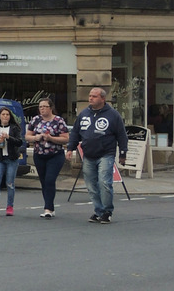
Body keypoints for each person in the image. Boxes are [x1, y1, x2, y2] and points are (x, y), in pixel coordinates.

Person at [65, 87, 128, 225]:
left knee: (104, 183)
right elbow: (75, 132)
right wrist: (70, 148)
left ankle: (107, 211)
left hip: (106, 154)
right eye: (90, 96)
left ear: (102, 99)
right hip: (88, 155)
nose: (90, 98)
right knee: (91, 185)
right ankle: (98, 210)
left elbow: (122, 135)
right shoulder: (84, 114)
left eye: (94, 96)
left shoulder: (113, 115)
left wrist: (123, 153)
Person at [26, 98, 69, 219]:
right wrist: (36, 138)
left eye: (45, 106)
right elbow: (27, 136)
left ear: (51, 108)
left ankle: (48, 208)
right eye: (40, 107)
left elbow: (66, 138)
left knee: (50, 179)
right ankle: (49, 206)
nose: (42, 109)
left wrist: (51, 138)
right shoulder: (35, 120)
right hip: (39, 154)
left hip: (55, 155)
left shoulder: (58, 121)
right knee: (44, 181)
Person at [0, 107, 23, 217]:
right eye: (3, 114)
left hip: (12, 159)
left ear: (10, 117)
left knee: (10, 183)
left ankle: (10, 206)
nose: (5, 116)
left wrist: (9, 137)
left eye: (7, 114)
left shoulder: (14, 128)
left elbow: (19, 142)